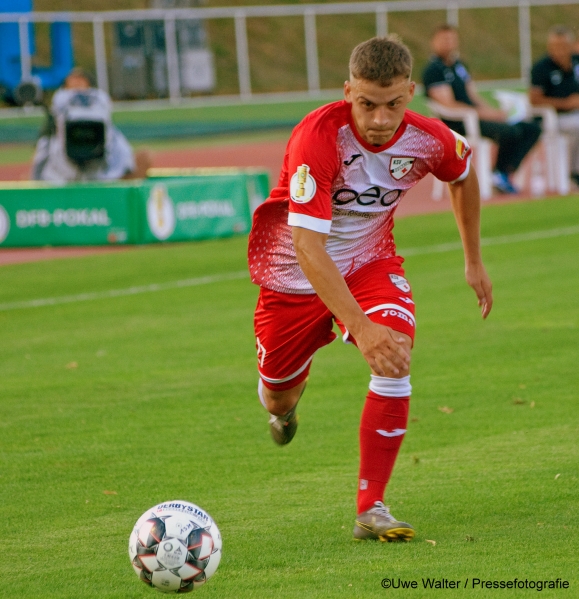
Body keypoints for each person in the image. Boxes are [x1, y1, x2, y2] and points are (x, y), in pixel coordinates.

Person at [248, 36, 493, 542]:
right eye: (366, 104)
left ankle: (371, 506)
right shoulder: (317, 137)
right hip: (294, 274)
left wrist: (473, 261)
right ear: (347, 92)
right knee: (277, 396)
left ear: (411, 91)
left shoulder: (428, 138)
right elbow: (308, 246)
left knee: (395, 351)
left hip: (369, 262)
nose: (380, 120)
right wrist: (359, 327)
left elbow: (463, 175)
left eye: (393, 104)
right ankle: (286, 405)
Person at [422, 24, 541, 194]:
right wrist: (485, 114)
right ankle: (499, 173)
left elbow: (473, 96)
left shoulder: (459, 66)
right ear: (434, 42)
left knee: (531, 128)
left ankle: (503, 171)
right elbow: (448, 105)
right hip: (456, 122)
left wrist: (494, 113)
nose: (448, 43)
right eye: (444, 40)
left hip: (475, 116)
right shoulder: (433, 71)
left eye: (451, 39)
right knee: (510, 132)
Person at [31, 67, 149, 182]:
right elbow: (43, 142)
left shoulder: (100, 103)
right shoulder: (57, 110)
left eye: (80, 81)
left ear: (89, 85)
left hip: (102, 167)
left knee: (144, 158)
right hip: (63, 168)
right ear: (65, 87)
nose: (76, 85)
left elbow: (113, 142)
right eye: (72, 82)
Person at [530, 25, 579, 186]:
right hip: (553, 117)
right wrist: (566, 104)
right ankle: (574, 172)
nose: (560, 51)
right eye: (555, 47)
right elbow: (535, 99)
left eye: (564, 46)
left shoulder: (576, 63)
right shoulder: (541, 68)